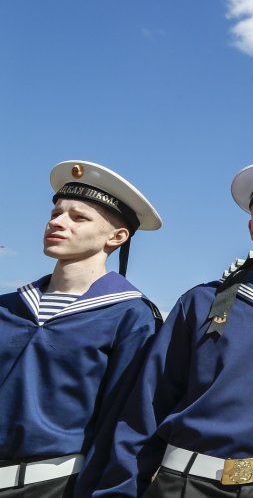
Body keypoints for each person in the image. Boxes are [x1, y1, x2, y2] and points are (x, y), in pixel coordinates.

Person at [96, 161, 253, 498]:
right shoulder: (201, 302)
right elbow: (149, 401)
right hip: (185, 484)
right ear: (250, 228)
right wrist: (121, 490)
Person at [0, 161, 162, 498]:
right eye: (56, 213)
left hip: (55, 486)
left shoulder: (130, 316)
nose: (56, 222)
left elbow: (125, 421)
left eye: (79, 217)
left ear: (117, 237)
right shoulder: (7, 306)